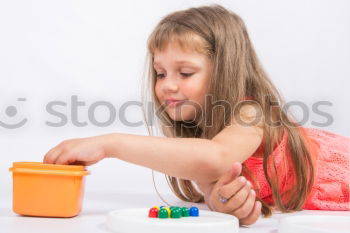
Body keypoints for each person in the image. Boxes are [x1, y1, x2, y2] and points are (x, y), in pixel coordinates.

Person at [43, 4, 350, 225]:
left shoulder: (252, 113)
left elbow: (215, 158)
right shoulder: (199, 133)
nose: (167, 85)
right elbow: (212, 179)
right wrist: (222, 202)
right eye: (160, 73)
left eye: (185, 72)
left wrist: (111, 144)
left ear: (225, 70)